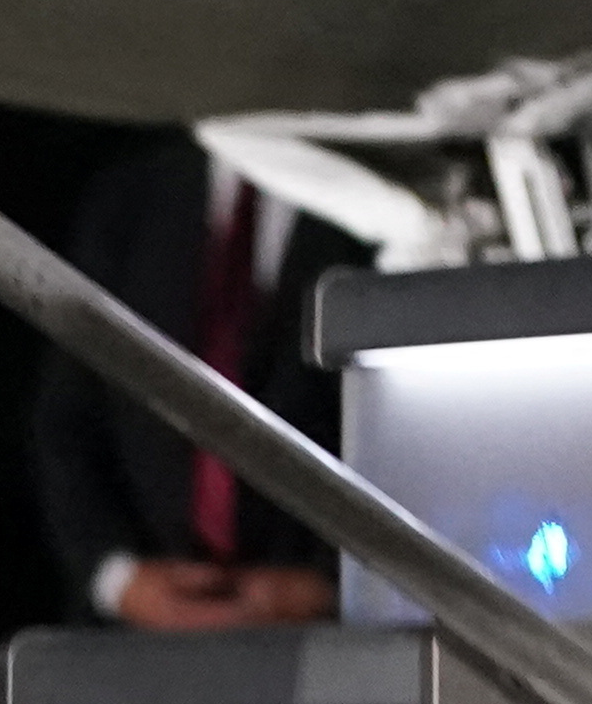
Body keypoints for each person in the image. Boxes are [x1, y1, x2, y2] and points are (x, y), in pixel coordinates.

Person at [29, 133, 364, 629]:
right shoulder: (128, 199)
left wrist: (337, 581)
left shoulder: (375, 204)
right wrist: (119, 578)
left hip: (330, 633)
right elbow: (66, 414)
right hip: (136, 632)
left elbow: (411, 425)